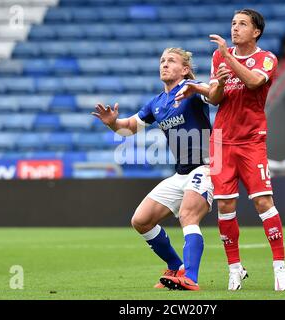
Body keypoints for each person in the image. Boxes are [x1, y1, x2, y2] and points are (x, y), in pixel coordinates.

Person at [92, 48, 226, 291]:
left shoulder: (192, 89)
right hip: (181, 173)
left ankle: (191, 278)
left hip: (205, 168)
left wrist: (214, 84)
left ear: (184, 69)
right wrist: (113, 123)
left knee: (188, 215)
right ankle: (175, 265)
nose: (164, 64)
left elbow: (215, 97)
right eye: (162, 61)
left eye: (171, 61)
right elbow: (128, 128)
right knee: (141, 220)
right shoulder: (157, 103)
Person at [175, 9, 285, 291]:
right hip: (221, 142)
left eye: (242, 24)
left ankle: (279, 266)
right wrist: (209, 86)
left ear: (256, 32)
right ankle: (235, 269)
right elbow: (216, 98)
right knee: (225, 206)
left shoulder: (267, 59)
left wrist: (228, 58)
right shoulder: (219, 58)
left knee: (263, 202)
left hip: (251, 140)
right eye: (233, 24)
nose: (235, 28)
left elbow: (253, 82)